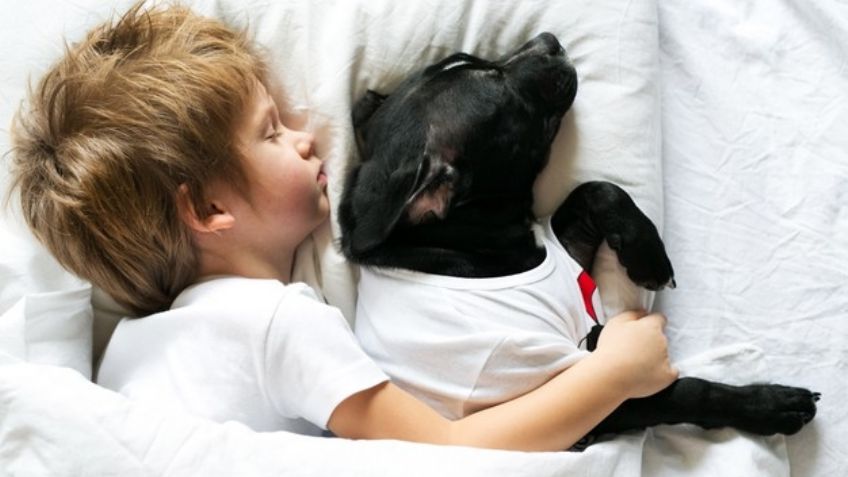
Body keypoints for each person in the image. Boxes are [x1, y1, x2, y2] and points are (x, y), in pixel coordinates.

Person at [8, 2, 677, 451]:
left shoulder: (126, 347)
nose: (307, 137)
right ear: (211, 211)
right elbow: (446, 455)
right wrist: (614, 374)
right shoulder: (277, 322)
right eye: (271, 131)